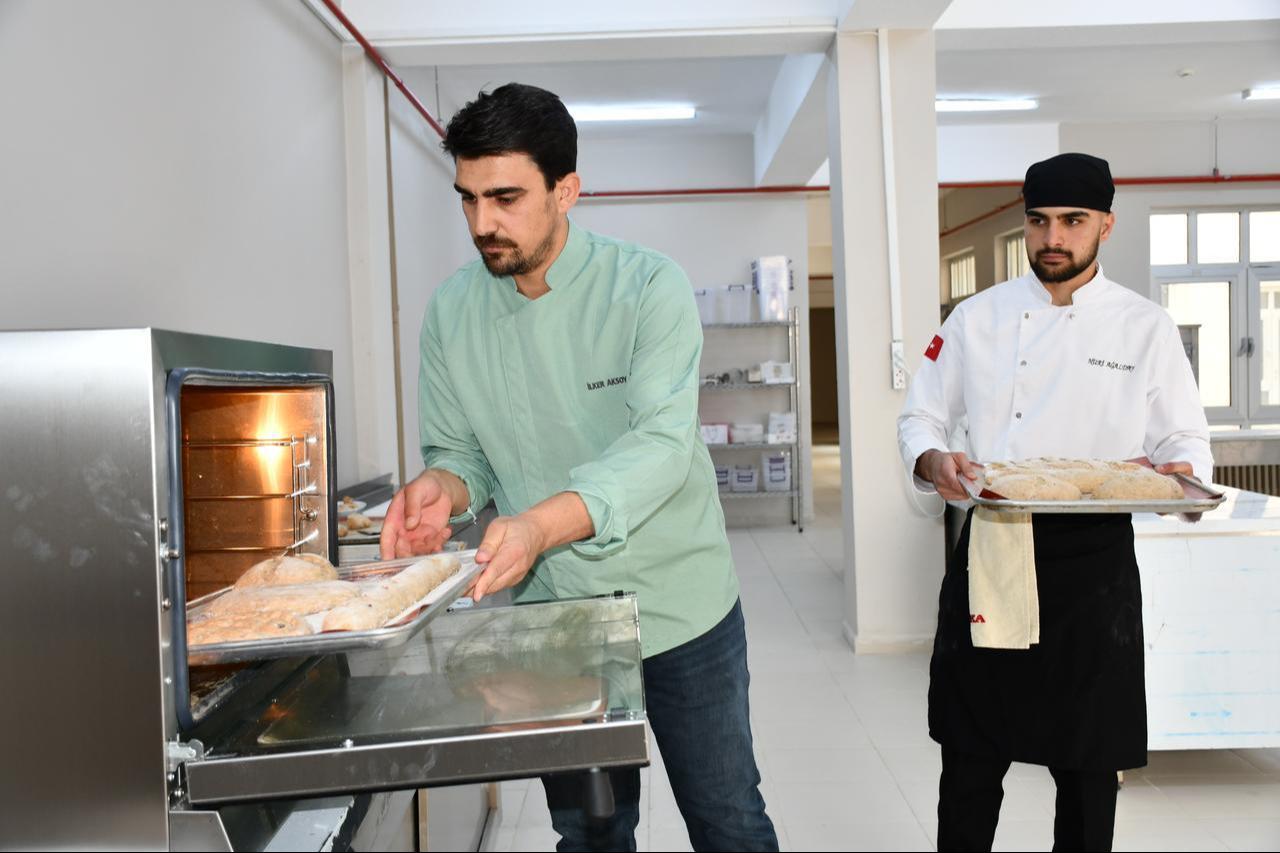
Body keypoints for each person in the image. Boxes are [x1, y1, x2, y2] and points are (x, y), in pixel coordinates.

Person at [379, 82, 778, 853]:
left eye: (505, 197)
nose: (481, 224)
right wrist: (442, 489)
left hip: (679, 606)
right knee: (590, 831)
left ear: (567, 190)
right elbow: (462, 455)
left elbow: (662, 445)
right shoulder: (452, 311)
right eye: (467, 199)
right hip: (556, 615)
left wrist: (536, 524)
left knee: (727, 818)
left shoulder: (646, 287)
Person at [897, 152, 1212, 852]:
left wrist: (1183, 473)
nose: (1053, 239)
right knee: (972, 761)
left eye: (1073, 221)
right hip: (996, 550)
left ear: (1107, 224)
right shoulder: (977, 319)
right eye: (1039, 222)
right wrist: (932, 458)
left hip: (1093, 566)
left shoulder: (1146, 327)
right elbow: (920, 416)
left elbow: (1185, 436)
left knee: (1090, 767)